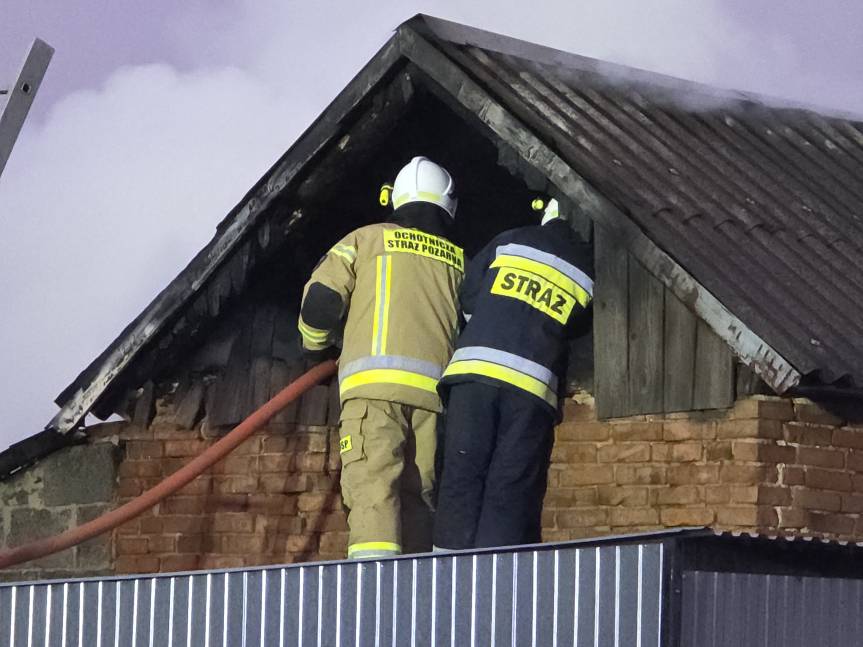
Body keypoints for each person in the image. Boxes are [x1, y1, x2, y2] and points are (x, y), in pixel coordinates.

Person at [298, 156, 464, 559]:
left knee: (374, 494)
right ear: (448, 205)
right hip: (434, 405)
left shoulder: (366, 240)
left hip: (373, 397)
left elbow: (321, 302)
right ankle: (417, 602)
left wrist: (316, 348)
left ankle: (373, 606)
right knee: (418, 505)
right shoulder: (459, 261)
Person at [433, 197, 593, 550]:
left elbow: (470, 296)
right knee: (509, 489)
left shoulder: (511, 239)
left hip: (472, 377)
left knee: (461, 477)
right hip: (529, 389)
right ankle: (496, 585)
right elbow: (577, 328)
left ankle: (444, 584)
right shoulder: (588, 267)